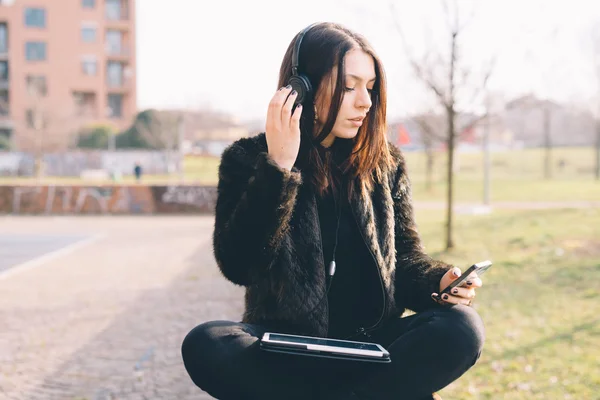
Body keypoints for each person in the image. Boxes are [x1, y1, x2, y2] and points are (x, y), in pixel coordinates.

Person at [181, 22, 485, 400]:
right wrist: (278, 168)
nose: (365, 102)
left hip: (373, 349)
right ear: (301, 88)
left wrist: (439, 281)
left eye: (370, 87)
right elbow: (240, 265)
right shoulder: (248, 160)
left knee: (462, 328)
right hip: (289, 351)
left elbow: (404, 260)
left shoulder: (384, 163)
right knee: (206, 343)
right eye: (348, 86)